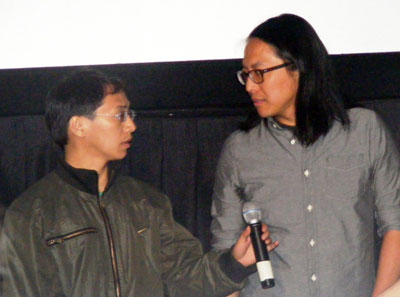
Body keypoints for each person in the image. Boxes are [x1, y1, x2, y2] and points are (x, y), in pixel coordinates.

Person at [0, 69, 278, 297]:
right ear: (79, 126)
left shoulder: (146, 201)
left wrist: (235, 263)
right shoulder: (31, 214)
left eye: (130, 115)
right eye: (120, 115)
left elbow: (186, 278)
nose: (131, 125)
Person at [210, 13, 400, 297]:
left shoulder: (364, 131)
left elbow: (395, 225)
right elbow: (224, 255)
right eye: (246, 74)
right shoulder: (241, 149)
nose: (250, 86)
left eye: (259, 72)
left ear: (298, 67)